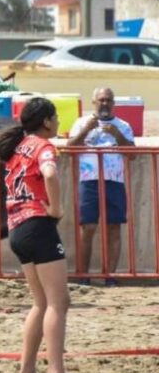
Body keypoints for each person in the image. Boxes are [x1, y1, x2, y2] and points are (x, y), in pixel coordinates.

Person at [0, 97, 79, 373]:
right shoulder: (43, 146)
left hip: (16, 228)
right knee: (59, 302)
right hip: (36, 224)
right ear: (46, 121)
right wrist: (56, 209)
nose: (58, 122)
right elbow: (50, 174)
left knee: (41, 303)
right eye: (55, 117)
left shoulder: (18, 147)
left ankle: (27, 371)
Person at [67, 87, 135, 286]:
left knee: (114, 227)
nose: (104, 103)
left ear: (114, 103)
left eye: (108, 100)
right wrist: (87, 129)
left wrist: (117, 135)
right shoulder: (81, 123)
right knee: (87, 227)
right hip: (89, 180)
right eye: (101, 100)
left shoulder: (123, 125)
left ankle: (110, 276)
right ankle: (83, 275)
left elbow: (132, 154)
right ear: (93, 102)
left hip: (114, 180)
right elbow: (69, 147)